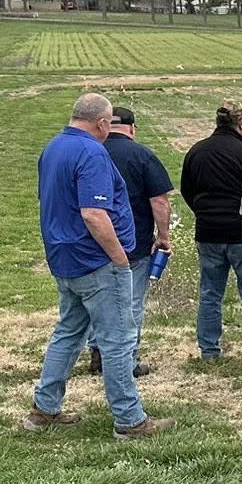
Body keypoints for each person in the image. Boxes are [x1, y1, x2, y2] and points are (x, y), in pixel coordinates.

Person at [28, 92, 174, 439]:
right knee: (118, 341)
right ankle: (130, 420)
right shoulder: (91, 151)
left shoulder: (54, 146)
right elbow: (94, 213)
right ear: (103, 123)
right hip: (96, 262)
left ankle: (44, 410)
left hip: (65, 260)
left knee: (68, 333)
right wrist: (120, 257)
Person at [179, 99, 242, 364]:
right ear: (240, 123)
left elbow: (187, 190)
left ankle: (209, 350)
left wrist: (203, 212)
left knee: (209, 293)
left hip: (207, 232)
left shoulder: (197, 151)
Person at [98, 105, 172, 375]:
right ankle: (126, 361)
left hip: (94, 240)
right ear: (132, 128)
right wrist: (163, 236)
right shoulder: (142, 155)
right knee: (130, 303)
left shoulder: (92, 152)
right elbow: (159, 201)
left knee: (99, 300)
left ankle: (99, 352)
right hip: (134, 243)